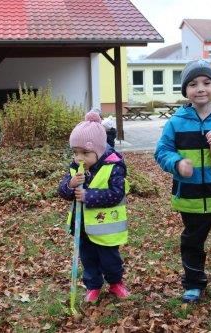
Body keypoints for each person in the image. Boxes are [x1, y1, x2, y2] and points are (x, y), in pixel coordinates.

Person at [154, 59, 211, 303]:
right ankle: (194, 283)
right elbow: (162, 152)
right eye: (193, 84)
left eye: (206, 82)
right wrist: (177, 163)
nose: (200, 88)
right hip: (191, 197)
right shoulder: (176, 122)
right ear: (185, 90)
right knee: (193, 241)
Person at [58, 112, 130, 303]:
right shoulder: (75, 168)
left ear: (98, 150)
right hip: (82, 226)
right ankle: (93, 286)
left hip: (105, 226)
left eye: (85, 153)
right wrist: (71, 185)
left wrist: (88, 196)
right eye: (75, 152)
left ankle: (115, 283)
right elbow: (63, 192)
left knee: (109, 259)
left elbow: (117, 193)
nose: (79, 158)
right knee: (88, 259)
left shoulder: (114, 166)